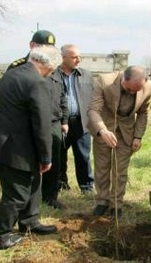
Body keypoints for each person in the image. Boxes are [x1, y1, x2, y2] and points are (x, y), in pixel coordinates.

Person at [0, 45, 59, 250]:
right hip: (15, 147)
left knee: (32, 182)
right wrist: (46, 157)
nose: (53, 72)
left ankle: (29, 223)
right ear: (49, 65)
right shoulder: (37, 83)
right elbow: (42, 124)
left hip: (1, 140)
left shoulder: (14, 73)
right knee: (17, 194)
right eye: (54, 68)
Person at [7, 30, 68, 210]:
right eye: (43, 46)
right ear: (32, 45)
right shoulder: (19, 67)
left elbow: (62, 95)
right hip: (29, 123)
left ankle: (50, 196)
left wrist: (64, 120)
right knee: (29, 162)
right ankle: (26, 199)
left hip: (53, 122)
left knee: (53, 161)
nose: (47, 50)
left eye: (51, 47)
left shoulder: (54, 66)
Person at [87, 66, 151, 218]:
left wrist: (138, 136)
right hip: (104, 128)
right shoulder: (104, 81)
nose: (131, 93)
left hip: (126, 132)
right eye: (128, 89)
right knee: (102, 167)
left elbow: (143, 113)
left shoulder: (147, 87)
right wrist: (102, 130)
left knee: (120, 170)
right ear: (123, 78)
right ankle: (102, 201)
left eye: (135, 91)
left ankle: (117, 204)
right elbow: (93, 110)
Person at [57, 44, 94, 194]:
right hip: (60, 123)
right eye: (74, 57)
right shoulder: (53, 74)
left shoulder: (86, 75)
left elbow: (94, 96)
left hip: (81, 122)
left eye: (79, 56)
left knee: (83, 156)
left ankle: (86, 186)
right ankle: (60, 183)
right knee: (59, 155)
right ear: (63, 57)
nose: (78, 60)